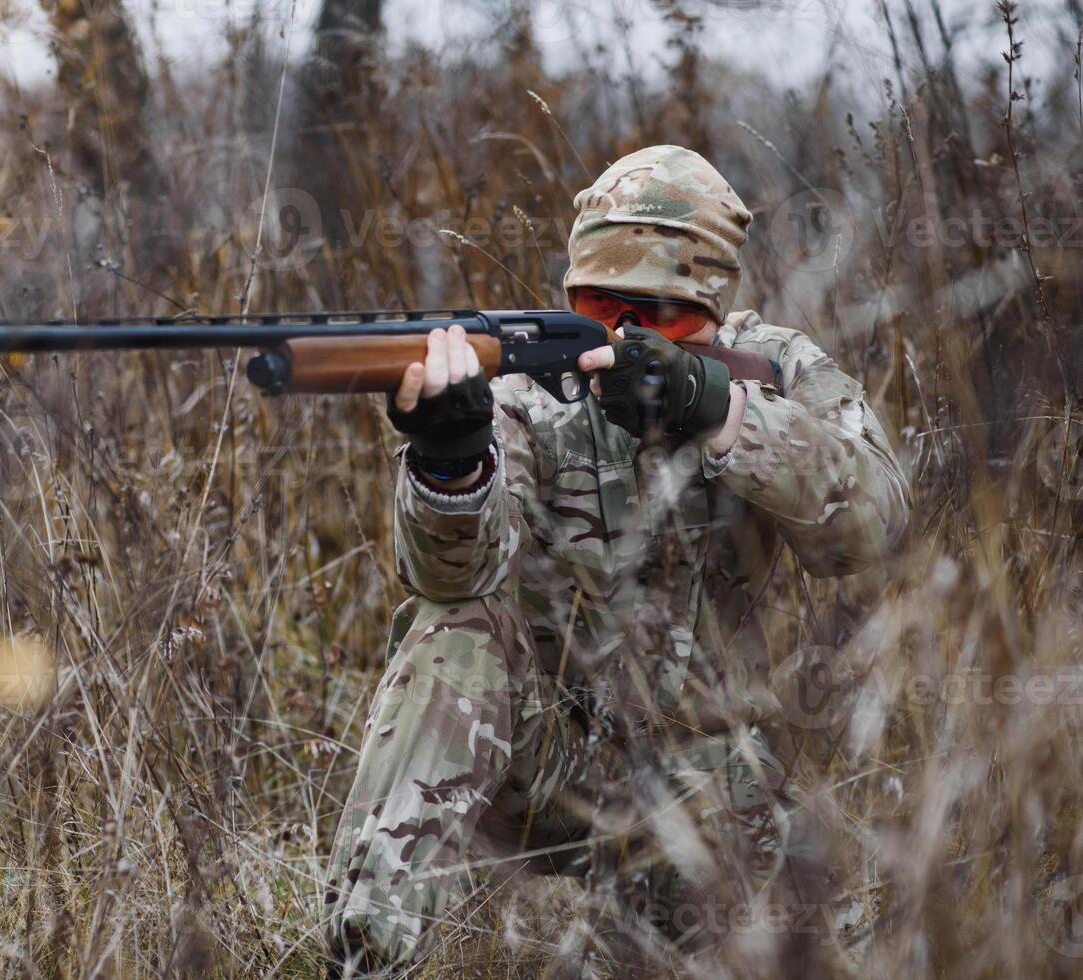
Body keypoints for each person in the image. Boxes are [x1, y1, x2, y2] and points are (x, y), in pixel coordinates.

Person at [322, 145, 910, 974]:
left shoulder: (774, 367)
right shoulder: (529, 396)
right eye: (600, 303)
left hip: (713, 789)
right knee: (454, 627)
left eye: (656, 315)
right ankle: (369, 947)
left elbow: (877, 521)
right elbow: (450, 579)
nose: (623, 332)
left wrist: (713, 411)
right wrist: (450, 461)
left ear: (710, 308)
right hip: (553, 768)